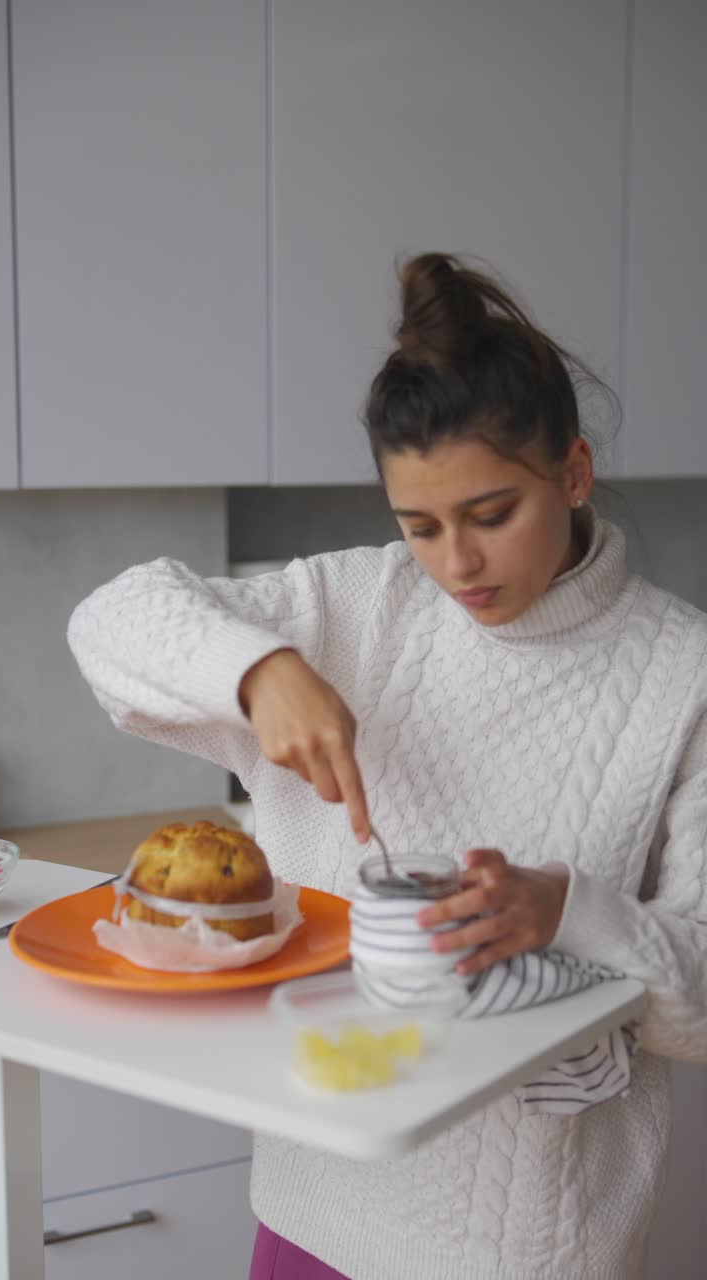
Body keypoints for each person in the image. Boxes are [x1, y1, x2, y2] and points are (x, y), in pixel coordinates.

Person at [68, 253, 707, 1280]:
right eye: (420, 526)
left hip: (537, 1250)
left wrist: (563, 909)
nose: (456, 565)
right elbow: (111, 620)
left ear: (575, 472)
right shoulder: (353, 606)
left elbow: (703, 1000)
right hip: (314, 1214)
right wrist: (259, 669)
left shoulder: (686, 674)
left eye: (492, 514)